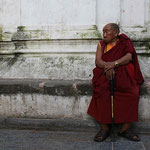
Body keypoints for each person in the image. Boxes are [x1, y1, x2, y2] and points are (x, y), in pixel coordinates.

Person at [87, 23, 144, 142]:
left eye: (107, 31)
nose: (104, 34)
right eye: (103, 32)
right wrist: (108, 67)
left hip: (124, 74)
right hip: (105, 73)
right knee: (102, 94)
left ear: (116, 33)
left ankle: (125, 129)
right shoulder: (101, 44)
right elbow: (98, 61)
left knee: (132, 94)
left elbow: (129, 57)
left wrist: (114, 64)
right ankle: (104, 128)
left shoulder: (124, 41)